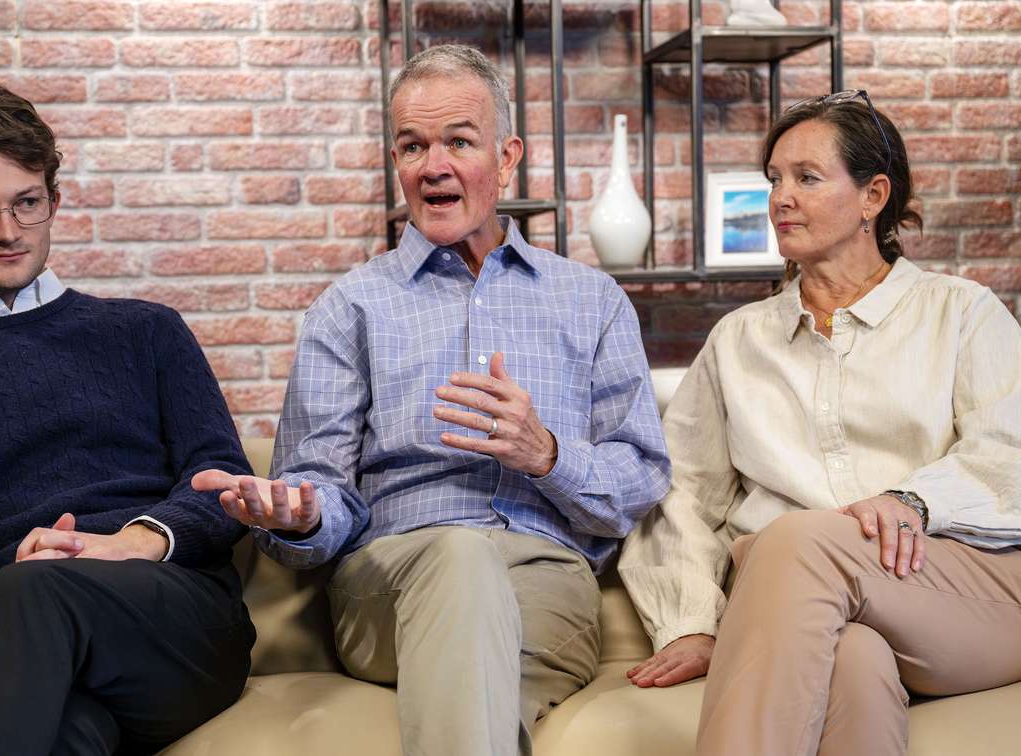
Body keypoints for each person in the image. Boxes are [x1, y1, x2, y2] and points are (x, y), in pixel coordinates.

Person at [193, 45, 671, 755]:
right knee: (459, 562)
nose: (432, 165)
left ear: (507, 159)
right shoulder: (348, 307)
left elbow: (640, 480)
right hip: (390, 583)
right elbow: (319, 493)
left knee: (478, 686)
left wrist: (548, 456)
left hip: (547, 587)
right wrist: (301, 515)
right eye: (412, 146)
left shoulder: (592, 300)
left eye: (458, 141)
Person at [618, 89, 1021, 755]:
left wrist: (912, 500)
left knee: (796, 542)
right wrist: (690, 620)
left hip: (977, 593)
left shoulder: (962, 312)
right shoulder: (738, 341)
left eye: (807, 178)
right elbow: (682, 491)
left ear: (873, 197)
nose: (780, 198)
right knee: (850, 657)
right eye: (774, 180)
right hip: (813, 604)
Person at [0, 86, 257, 755]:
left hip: (177, 632)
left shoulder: (148, 333)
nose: (8, 233)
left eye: (27, 203)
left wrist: (135, 541)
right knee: (65, 735)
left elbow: (223, 488)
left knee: (39, 595)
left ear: (53, 202)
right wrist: (17, 586)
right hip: (26, 650)